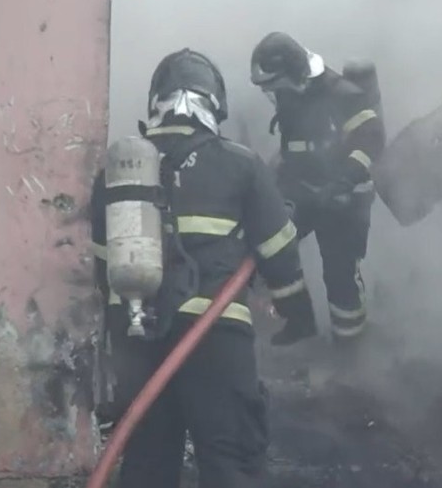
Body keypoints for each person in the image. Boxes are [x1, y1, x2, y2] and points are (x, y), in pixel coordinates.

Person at [90, 48, 317, 488]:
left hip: (138, 338)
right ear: (213, 103)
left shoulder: (116, 176)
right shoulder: (240, 163)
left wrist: (123, 322)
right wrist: (297, 313)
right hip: (215, 336)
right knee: (230, 460)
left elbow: (104, 266)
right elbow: (280, 251)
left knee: (147, 461)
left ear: (156, 102)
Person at [249, 32, 386, 349]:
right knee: (275, 251)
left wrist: (343, 182)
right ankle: (300, 322)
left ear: (294, 73)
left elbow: (372, 139)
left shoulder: (343, 94)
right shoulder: (291, 94)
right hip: (304, 191)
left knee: (339, 273)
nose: (271, 92)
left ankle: (350, 344)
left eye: (274, 84)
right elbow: (294, 149)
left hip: (345, 199)